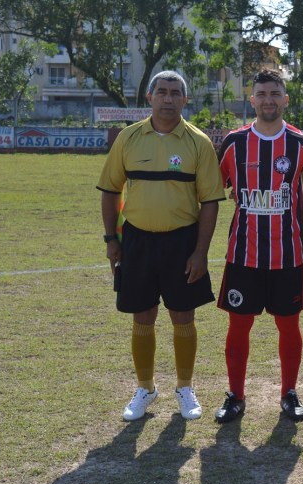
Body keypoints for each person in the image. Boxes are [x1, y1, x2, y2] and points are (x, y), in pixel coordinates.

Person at [98, 70, 224, 421]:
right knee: (143, 314)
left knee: (183, 315)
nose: (168, 99)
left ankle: (185, 387)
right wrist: (112, 241)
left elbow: (210, 202)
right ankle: (146, 388)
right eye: (162, 92)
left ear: (185, 100)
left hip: (182, 241)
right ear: (150, 97)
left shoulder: (198, 143)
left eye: (175, 93)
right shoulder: (128, 138)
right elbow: (110, 191)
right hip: (136, 240)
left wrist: (200, 252)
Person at [214, 69, 303, 423]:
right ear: (252, 100)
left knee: (289, 326)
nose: (268, 100)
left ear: (285, 99)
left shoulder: (302, 145)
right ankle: (235, 395)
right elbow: (212, 189)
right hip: (243, 254)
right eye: (261, 94)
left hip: (288, 256)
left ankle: (289, 393)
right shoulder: (234, 143)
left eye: (274, 94)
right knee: (238, 327)